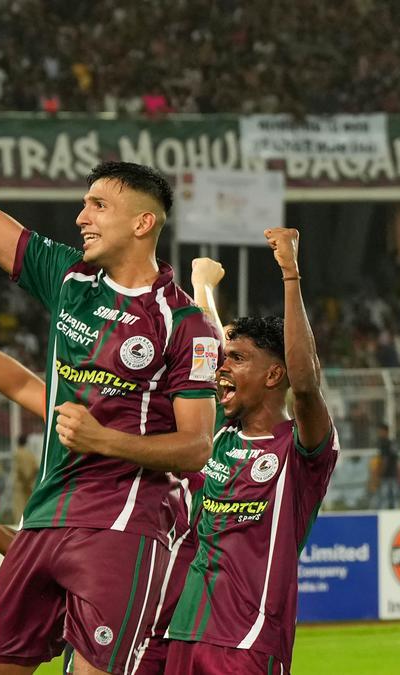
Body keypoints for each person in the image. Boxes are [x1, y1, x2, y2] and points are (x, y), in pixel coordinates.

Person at [0, 51, 221, 674]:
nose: (81, 217)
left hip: (122, 528)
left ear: (143, 222)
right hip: (42, 518)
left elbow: (196, 448)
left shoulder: (184, 323)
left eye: (97, 206)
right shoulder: (69, 279)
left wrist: (103, 438)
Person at [165, 228, 338, 674]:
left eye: (239, 359)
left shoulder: (301, 449)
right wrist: (202, 283)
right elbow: (208, 357)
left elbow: (306, 384)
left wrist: (290, 275)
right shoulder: (217, 433)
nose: (223, 369)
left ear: (273, 375)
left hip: (248, 640)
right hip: (184, 630)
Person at [375, 423, 400, 509]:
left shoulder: (384, 444)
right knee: (395, 496)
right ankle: (396, 511)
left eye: (380, 431)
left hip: (386, 474)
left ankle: (385, 512)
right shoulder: (393, 443)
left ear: (385, 431)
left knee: (385, 496)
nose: (379, 433)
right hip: (393, 473)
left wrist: (380, 472)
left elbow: (384, 459)